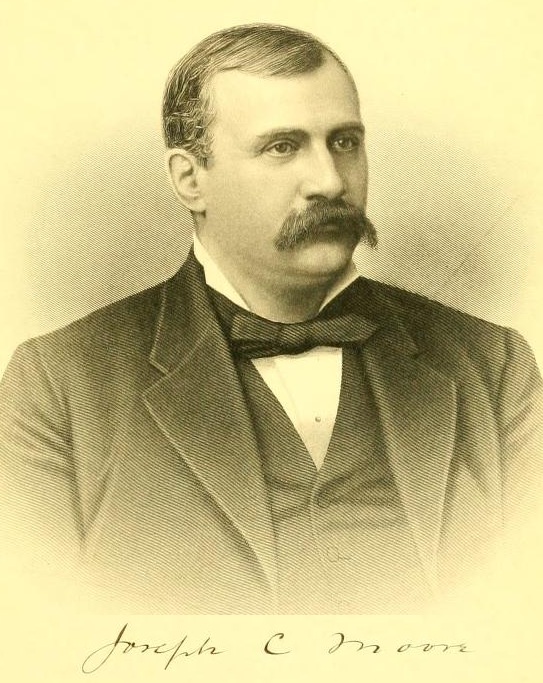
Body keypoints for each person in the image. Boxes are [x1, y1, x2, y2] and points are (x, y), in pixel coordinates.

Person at [0, 23, 541, 614]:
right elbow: (48, 627)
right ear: (190, 179)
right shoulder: (58, 384)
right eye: (282, 147)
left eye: (344, 142)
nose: (329, 182)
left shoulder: (494, 367)